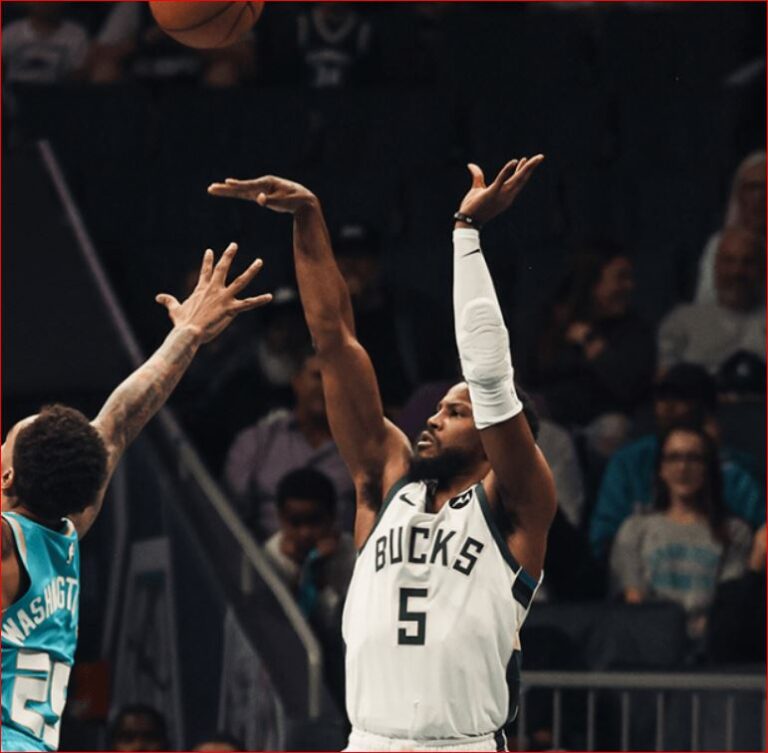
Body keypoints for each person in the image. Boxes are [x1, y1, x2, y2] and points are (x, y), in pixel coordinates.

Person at [209, 155, 556, 751]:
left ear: (497, 435)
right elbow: (334, 339)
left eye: (456, 412)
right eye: (439, 407)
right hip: (369, 740)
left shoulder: (516, 503)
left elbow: (490, 377)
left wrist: (466, 233)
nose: (433, 417)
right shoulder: (386, 477)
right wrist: (308, 217)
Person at [1, 244, 271, 752]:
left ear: (7, 478)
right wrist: (187, 335)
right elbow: (119, 422)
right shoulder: (67, 532)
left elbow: (116, 424)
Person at [590, 363, 764, 559]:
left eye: (680, 398)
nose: (667, 406)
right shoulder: (631, 461)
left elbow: (761, 529)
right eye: (662, 397)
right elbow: (603, 536)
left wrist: (713, 458)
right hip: (641, 569)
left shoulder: (734, 468)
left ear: (704, 408)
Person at [609, 424, 752, 646]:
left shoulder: (734, 532)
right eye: (673, 458)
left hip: (711, 648)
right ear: (661, 468)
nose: (683, 467)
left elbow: (729, 608)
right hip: (650, 646)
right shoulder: (634, 530)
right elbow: (633, 602)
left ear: (708, 468)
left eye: (693, 458)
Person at [534, 241, 655, 455]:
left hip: (604, 421)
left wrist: (593, 344)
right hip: (555, 418)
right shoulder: (559, 322)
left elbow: (630, 386)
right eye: (621, 278)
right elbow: (538, 372)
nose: (629, 286)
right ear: (593, 282)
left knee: (612, 429)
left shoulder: (635, 330)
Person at [223, 351, 356, 538]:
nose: (326, 386)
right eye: (317, 376)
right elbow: (230, 517)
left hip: (346, 552)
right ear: (297, 380)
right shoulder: (256, 442)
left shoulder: (363, 449)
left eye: (335, 378)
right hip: (264, 552)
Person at [658, 226, 765, 375]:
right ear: (715, 267)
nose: (737, 271)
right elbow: (663, 377)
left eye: (748, 262)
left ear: (762, 269)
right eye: (729, 261)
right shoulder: (682, 322)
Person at [695, 152, 765, 303]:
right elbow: (707, 303)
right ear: (739, 194)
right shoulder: (718, 245)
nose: (759, 197)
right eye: (752, 188)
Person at [2, 3, 89, 84]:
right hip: (14, 92)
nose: (46, 4)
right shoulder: (10, 32)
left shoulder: (76, 35)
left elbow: (77, 74)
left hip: (57, 92)